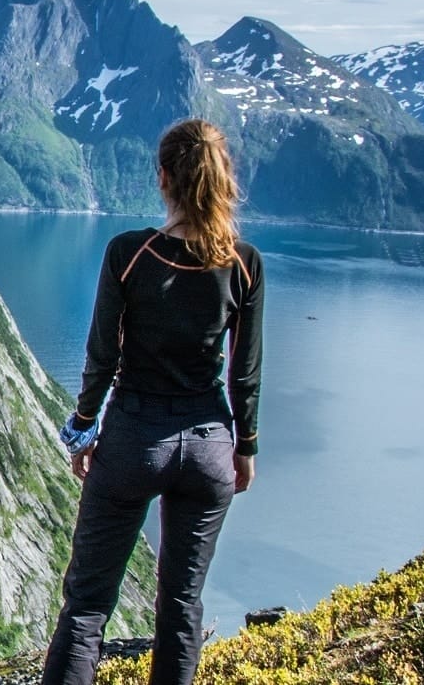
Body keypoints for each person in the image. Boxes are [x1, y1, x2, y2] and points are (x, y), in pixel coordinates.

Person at [40, 118, 264, 685]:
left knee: (89, 602)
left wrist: (82, 430)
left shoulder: (128, 253)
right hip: (210, 443)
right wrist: (246, 448)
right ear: (222, 180)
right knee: (181, 602)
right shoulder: (244, 263)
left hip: (135, 440)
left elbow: (102, 359)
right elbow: (244, 372)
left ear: (163, 178)